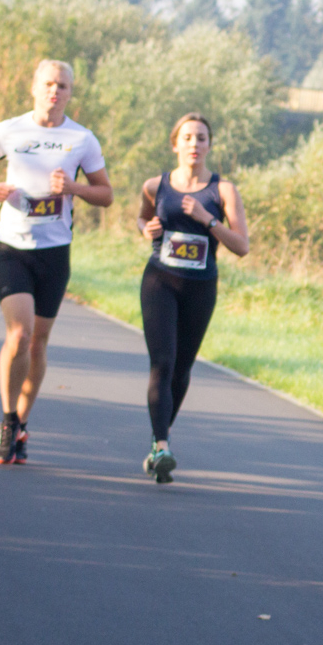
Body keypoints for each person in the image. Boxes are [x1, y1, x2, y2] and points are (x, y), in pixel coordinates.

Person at [0, 59, 112, 465]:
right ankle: (8, 420)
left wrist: (75, 188)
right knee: (19, 334)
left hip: (54, 250)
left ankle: (24, 422)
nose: (55, 91)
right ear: (33, 87)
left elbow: (106, 194)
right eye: (48, 84)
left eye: (63, 86)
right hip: (11, 245)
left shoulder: (82, 139)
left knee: (38, 343)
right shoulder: (9, 130)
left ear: (70, 92)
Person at [135, 113, 248, 482]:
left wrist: (207, 219)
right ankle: (163, 445)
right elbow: (142, 220)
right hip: (160, 282)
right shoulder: (156, 185)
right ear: (175, 143)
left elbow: (242, 246)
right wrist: (145, 228)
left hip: (200, 287)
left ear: (209, 145)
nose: (194, 145)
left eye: (201, 138)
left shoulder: (223, 190)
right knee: (163, 363)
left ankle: (157, 443)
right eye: (187, 138)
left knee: (182, 368)